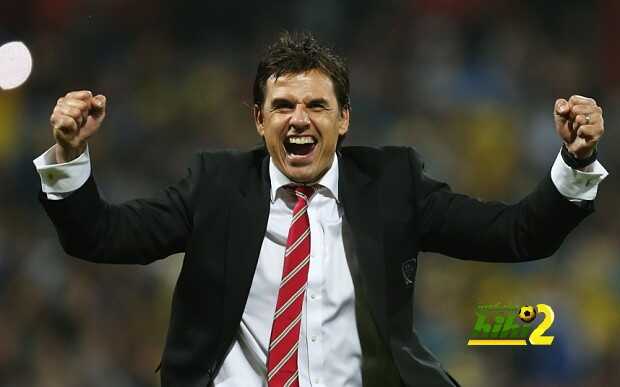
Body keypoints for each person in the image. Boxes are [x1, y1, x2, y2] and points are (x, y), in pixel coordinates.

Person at [34, 32, 608, 387]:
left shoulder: (391, 183)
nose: (299, 118)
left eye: (316, 104)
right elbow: (101, 237)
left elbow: (516, 235)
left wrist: (574, 163)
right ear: (259, 120)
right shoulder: (214, 186)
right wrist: (70, 154)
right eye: (281, 105)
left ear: (344, 118)